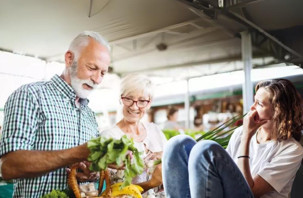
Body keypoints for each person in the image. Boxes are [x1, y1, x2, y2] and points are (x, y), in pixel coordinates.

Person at [0, 31, 111, 197]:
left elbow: (87, 164)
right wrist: (76, 153)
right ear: (69, 59)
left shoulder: (89, 114)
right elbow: (9, 167)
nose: (97, 79)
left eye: (103, 72)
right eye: (92, 68)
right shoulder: (31, 95)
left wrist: (90, 172)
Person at [162, 79, 303, 198]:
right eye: (254, 101)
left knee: (206, 149)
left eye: (259, 104)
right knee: (178, 144)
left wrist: (247, 137)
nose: (252, 108)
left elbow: (251, 191)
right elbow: (224, 176)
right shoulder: (240, 132)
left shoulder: (292, 149)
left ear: (278, 111)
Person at [101, 74, 167, 198]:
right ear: (120, 99)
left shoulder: (155, 131)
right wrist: (151, 183)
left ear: (149, 103)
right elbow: (114, 192)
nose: (134, 106)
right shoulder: (109, 137)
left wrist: (166, 156)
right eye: (129, 99)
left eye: (142, 101)